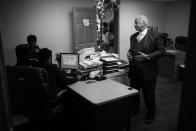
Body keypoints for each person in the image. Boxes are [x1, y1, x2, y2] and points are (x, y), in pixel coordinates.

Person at [127, 15, 165, 124]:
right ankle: (135, 109)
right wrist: (128, 55)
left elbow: (162, 51)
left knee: (149, 95)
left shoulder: (155, 35)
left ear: (145, 24)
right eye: (134, 22)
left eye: (136, 23)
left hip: (148, 71)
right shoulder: (133, 36)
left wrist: (147, 56)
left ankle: (150, 114)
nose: (134, 25)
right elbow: (131, 50)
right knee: (134, 92)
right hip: (134, 71)